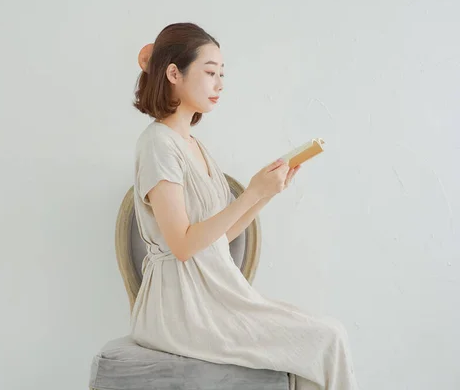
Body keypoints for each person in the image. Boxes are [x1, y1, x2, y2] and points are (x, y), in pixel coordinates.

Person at [130, 22, 359, 390]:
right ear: (174, 73)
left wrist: (267, 193)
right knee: (324, 340)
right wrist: (251, 193)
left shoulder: (192, 144)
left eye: (222, 74)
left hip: (212, 294)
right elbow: (183, 245)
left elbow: (218, 238)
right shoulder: (158, 143)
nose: (219, 84)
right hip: (178, 307)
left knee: (326, 334)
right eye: (209, 73)